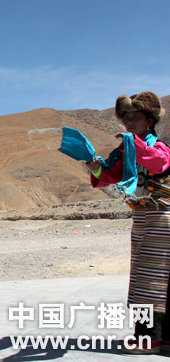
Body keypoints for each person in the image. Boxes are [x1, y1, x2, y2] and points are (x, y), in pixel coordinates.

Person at [86, 92, 170, 354]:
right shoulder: (125, 149)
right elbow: (109, 175)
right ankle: (159, 337)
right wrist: (93, 166)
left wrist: (133, 143)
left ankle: (150, 339)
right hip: (143, 217)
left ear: (149, 121)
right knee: (144, 277)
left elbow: (159, 163)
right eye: (127, 119)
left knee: (152, 279)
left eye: (136, 118)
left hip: (163, 217)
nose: (130, 123)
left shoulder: (158, 146)